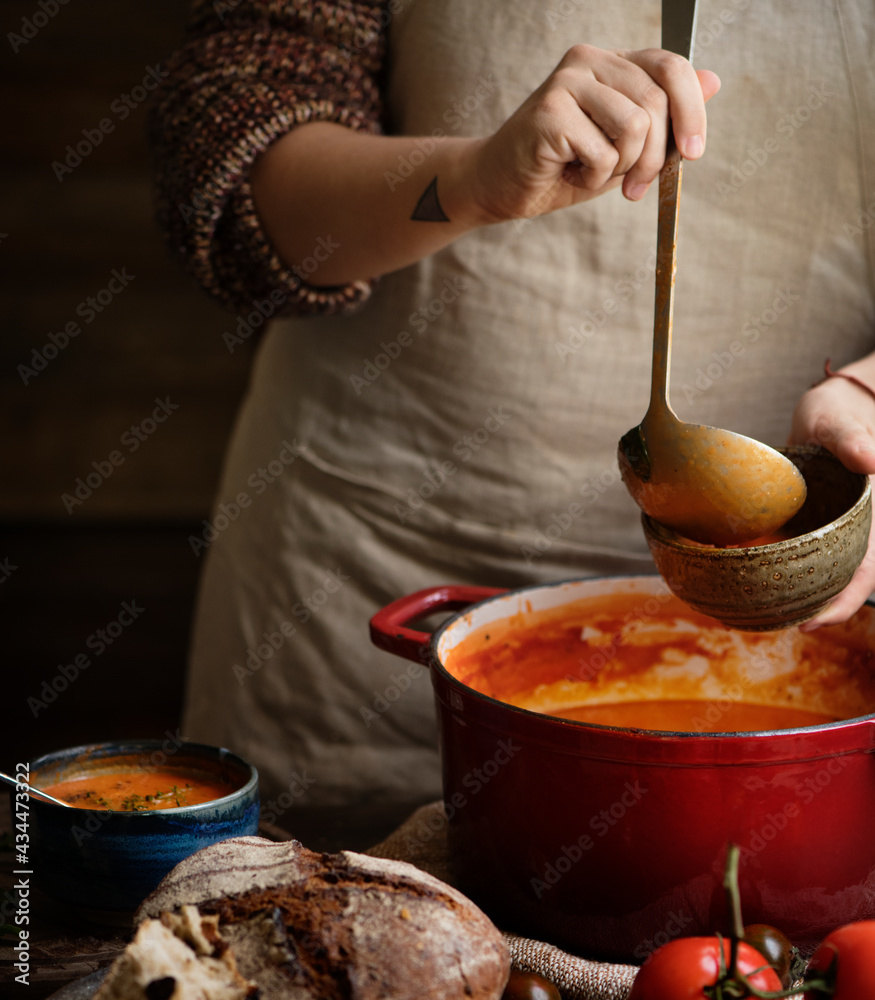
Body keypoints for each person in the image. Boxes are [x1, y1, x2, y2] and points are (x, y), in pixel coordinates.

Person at [149, 0, 875, 808]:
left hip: (793, 643)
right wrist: (469, 181)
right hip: (364, 590)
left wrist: (867, 394)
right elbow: (231, 183)